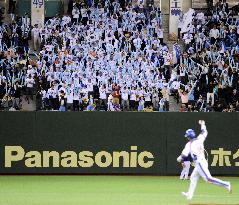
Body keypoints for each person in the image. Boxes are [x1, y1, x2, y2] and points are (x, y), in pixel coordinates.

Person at [177, 120, 231, 200]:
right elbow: (204, 131)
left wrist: (179, 158)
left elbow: (184, 155)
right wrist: (203, 124)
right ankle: (189, 195)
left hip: (199, 163)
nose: (187, 137)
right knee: (193, 177)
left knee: (208, 179)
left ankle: (226, 184)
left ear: (189, 136)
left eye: (187, 136)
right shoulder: (199, 139)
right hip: (202, 161)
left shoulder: (189, 144)